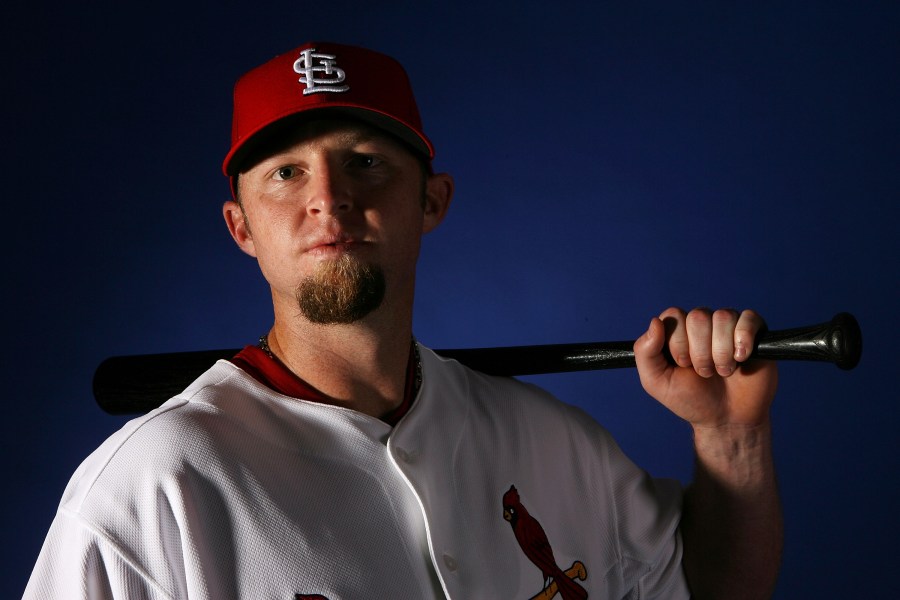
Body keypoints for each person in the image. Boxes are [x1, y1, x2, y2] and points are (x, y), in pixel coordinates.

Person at [24, 41, 782, 599]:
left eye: (365, 161)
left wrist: (731, 437)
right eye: (286, 172)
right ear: (241, 227)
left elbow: (708, 591)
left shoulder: (558, 445)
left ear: (432, 201)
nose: (329, 197)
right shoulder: (151, 490)